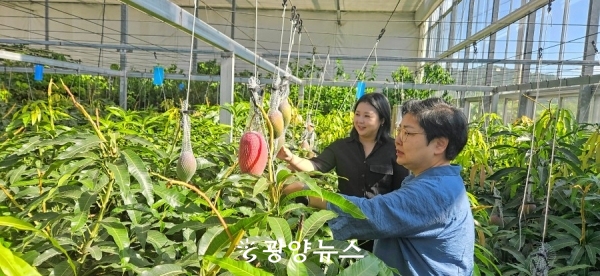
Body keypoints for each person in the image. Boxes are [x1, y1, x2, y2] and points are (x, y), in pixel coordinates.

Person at [282, 97, 474, 275]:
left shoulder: (435, 191)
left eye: (407, 132)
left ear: (439, 145)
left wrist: (309, 194)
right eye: (399, 130)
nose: (398, 139)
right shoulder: (436, 181)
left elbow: (374, 214)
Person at [276, 92, 410, 252]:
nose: (360, 120)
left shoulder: (395, 149)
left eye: (367, 116)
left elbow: (402, 191)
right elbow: (316, 166)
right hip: (345, 225)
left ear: (382, 120)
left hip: (380, 229)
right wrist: (291, 158)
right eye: (357, 114)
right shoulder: (341, 147)